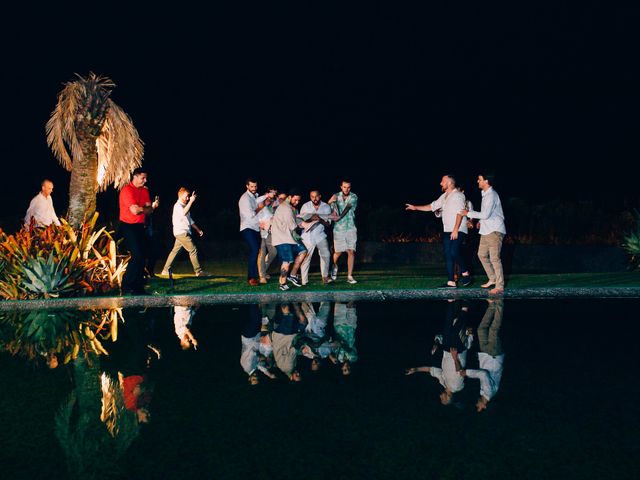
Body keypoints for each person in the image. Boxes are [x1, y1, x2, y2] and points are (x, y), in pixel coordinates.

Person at [406, 175, 472, 288]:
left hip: (458, 229)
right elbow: (432, 207)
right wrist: (416, 207)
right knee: (448, 255)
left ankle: (465, 272)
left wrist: (455, 229)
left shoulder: (459, 195)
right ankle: (451, 281)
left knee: (454, 252)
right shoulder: (444, 196)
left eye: (443, 181)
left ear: (450, 183)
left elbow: (460, 212)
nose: (441, 183)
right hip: (447, 230)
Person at [459, 173, 506, 295]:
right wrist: (480, 221)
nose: (477, 181)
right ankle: (493, 278)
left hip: (494, 230)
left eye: (479, 179)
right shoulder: (485, 195)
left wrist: (468, 213)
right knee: (482, 254)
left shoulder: (491, 195)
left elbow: (486, 214)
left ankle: (499, 285)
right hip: (486, 230)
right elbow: (486, 213)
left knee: (495, 258)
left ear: (486, 181)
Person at [119, 168, 159, 295]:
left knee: (143, 256)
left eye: (146, 178)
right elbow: (135, 211)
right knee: (137, 255)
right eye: (143, 178)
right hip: (127, 226)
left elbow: (149, 210)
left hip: (140, 226)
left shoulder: (145, 190)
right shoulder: (127, 190)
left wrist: (147, 208)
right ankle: (126, 284)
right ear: (135, 177)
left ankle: (138, 287)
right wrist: (147, 208)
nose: (145, 180)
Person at [461, 299, 505, 412]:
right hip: (493, 356)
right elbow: (483, 374)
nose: (476, 404)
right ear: (484, 406)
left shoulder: (483, 392)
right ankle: (499, 302)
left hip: (486, 355)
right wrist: (467, 373)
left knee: (481, 329)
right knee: (493, 330)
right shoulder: (488, 393)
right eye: (478, 407)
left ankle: (491, 305)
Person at [161, 187, 208, 277]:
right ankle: (198, 272)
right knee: (193, 250)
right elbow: (183, 213)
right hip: (181, 232)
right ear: (181, 196)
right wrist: (191, 201)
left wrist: (198, 230)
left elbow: (189, 220)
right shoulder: (178, 206)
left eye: (188, 197)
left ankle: (165, 270)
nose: (188, 198)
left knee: (174, 251)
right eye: (186, 196)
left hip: (181, 232)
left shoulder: (184, 206)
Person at [270, 190, 307, 291]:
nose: (297, 202)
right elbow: (293, 226)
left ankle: (292, 275)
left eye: (299, 200)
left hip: (289, 237)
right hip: (282, 239)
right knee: (287, 261)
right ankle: (282, 282)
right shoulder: (286, 208)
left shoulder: (290, 207)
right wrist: (305, 224)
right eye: (295, 200)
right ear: (290, 197)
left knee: (303, 251)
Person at [238, 178, 273, 286]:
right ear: (247, 186)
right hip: (247, 227)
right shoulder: (245, 198)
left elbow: (259, 201)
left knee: (256, 251)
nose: (254, 188)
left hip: (255, 228)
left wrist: (267, 197)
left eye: (255, 186)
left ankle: (254, 275)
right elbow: (251, 215)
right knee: (254, 250)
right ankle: (251, 277)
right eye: (251, 186)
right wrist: (262, 206)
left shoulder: (254, 196)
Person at [299, 190, 334, 285]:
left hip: (320, 235)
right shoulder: (305, 206)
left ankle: (325, 277)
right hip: (307, 236)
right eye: (312, 196)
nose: (314, 198)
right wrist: (311, 218)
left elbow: (328, 224)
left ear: (320, 196)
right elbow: (300, 221)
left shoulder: (326, 206)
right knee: (306, 258)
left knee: (326, 255)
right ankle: (304, 280)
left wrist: (320, 219)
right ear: (310, 197)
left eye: (316, 196)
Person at [328, 180, 358, 284]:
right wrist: (329, 202)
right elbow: (329, 211)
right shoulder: (335, 196)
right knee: (338, 252)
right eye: (344, 187)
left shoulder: (354, 196)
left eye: (348, 187)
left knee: (351, 251)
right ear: (341, 187)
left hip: (351, 227)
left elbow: (348, 207)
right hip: (338, 229)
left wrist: (340, 216)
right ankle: (334, 266)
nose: (347, 189)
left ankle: (349, 276)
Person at [257, 187, 279, 284]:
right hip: (258, 232)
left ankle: (262, 270)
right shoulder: (258, 203)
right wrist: (267, 196)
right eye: (271, 196)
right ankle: (262, 276)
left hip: (268, 233)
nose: (271, 199)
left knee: (274, 251)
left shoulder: (267, 209)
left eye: (273, 196)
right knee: (262, 253)